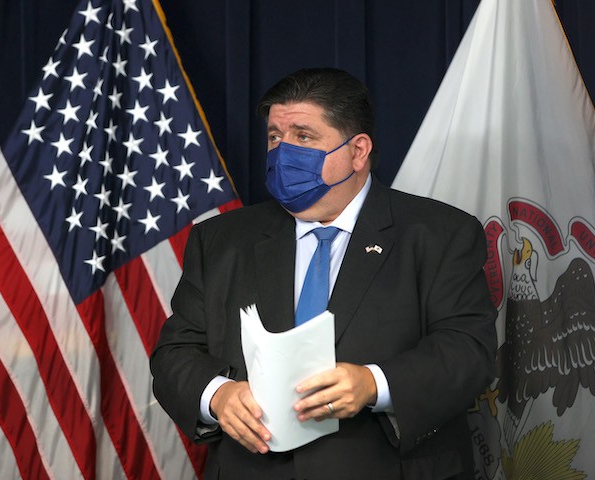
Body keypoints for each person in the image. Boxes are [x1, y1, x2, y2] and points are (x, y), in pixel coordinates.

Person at [150, 67, 497, 480]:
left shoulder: (441, 234)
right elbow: (174, 353)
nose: (283, 152)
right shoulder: (220, 240)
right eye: (275, 137)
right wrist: (217, 395)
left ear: (358, 151)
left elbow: (468, 351)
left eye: (303, 137)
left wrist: (373, 383)